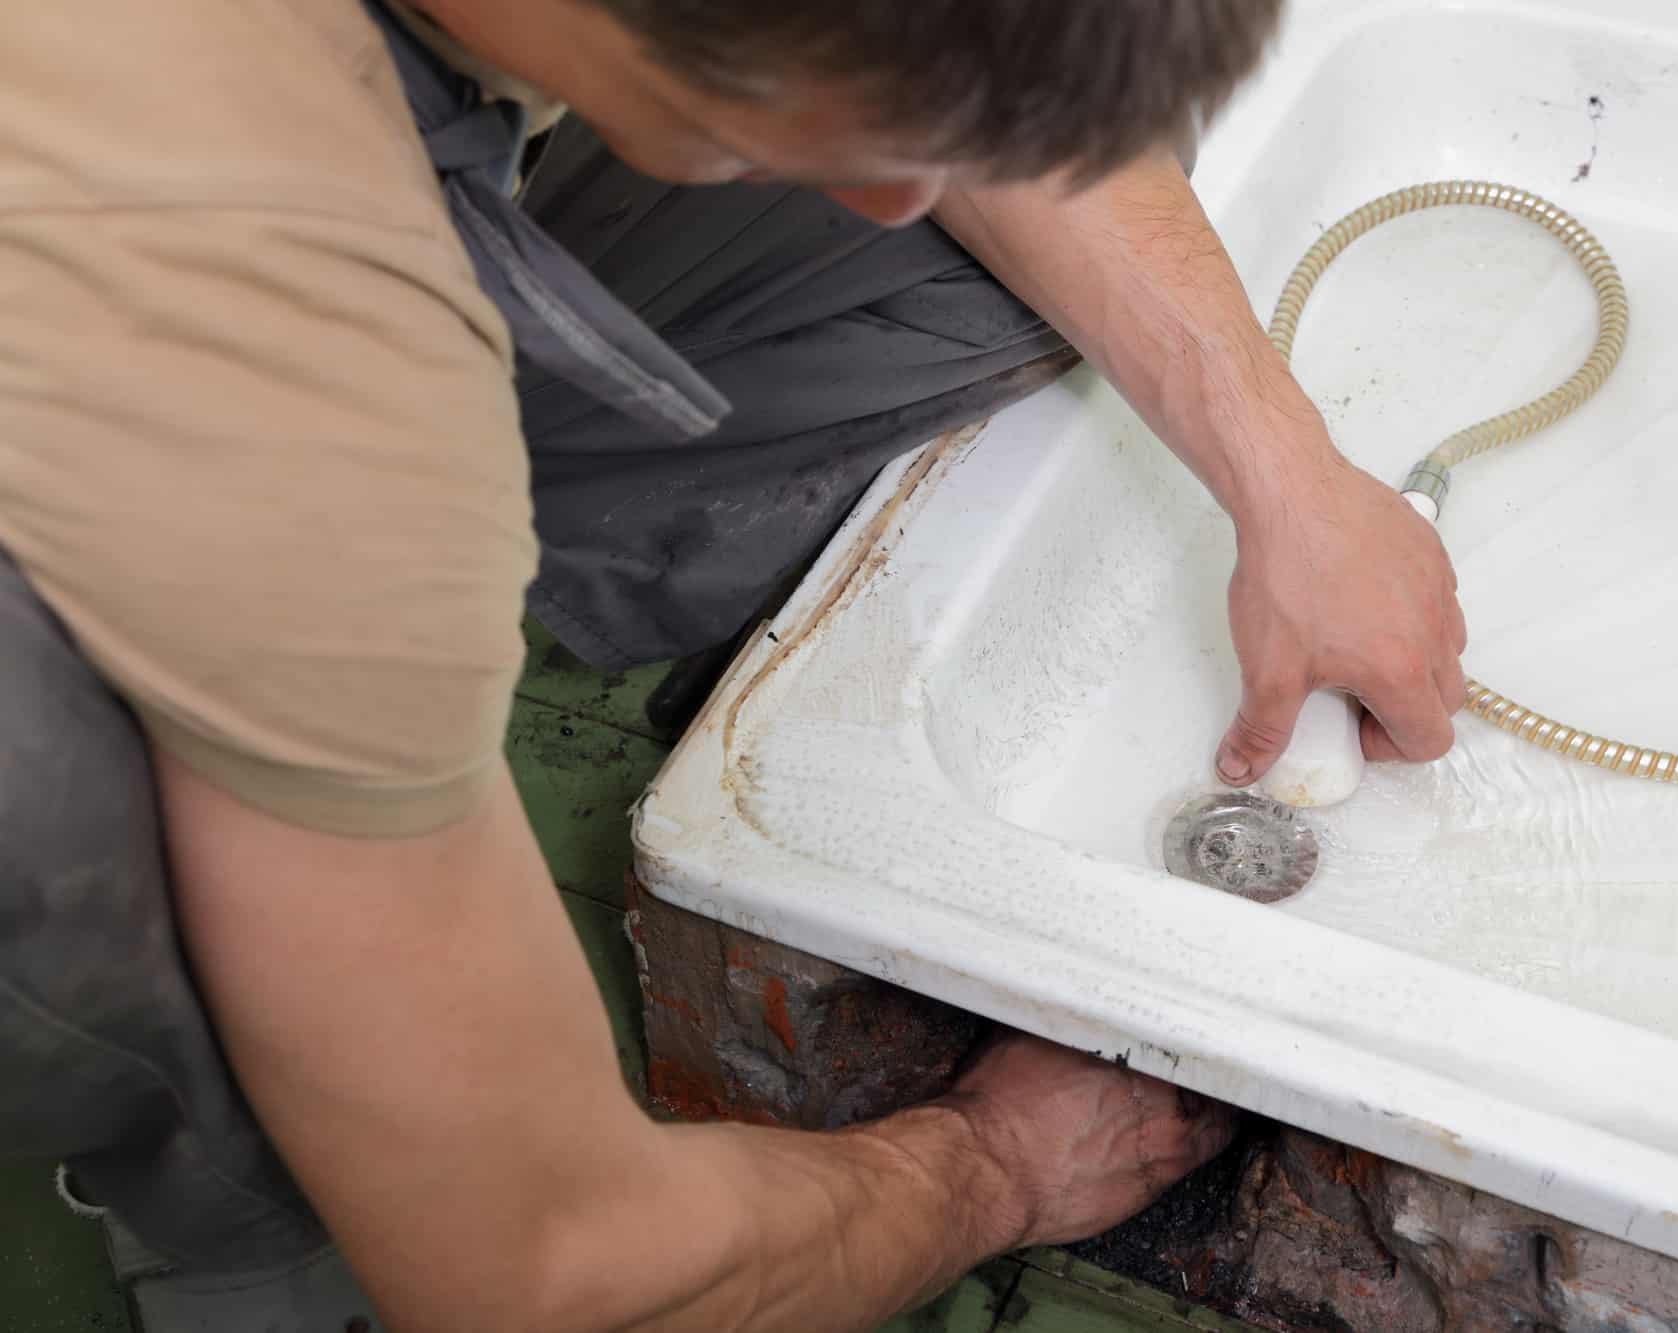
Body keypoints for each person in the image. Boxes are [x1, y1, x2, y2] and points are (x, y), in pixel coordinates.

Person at [0, 1, 1467, 1329]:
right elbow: (548, 1268)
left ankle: (369, 644)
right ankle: (243, 1210)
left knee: (1008, 202)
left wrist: (1290, 477)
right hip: (160, 464)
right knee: (73, 781)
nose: (898, 190)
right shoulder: (255, 323)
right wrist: (994, 1165)